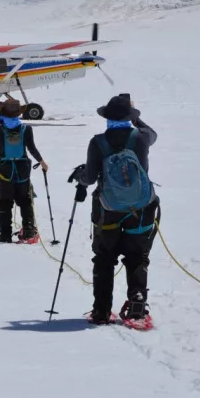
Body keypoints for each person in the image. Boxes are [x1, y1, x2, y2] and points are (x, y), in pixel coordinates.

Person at [74, 94, 159, 326]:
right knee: (137, 257)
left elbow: (90, 177)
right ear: (129, 118)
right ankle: (137, 306)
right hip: (141, 207)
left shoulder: (98, 142)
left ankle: (101, 311)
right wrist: (137, 119)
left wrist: (80, 177)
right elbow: (153, 133)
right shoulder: (141, 138)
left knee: (104, 258)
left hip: (108, 209)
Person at [0, 99, 48, 244]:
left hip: (6, 168)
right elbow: (31, 148)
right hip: (23, 169)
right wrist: (42, 162)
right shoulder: (26, 129)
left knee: (5, 201)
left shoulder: (0, 128)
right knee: (25, 200)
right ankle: (29, 232)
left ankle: (5, 235)